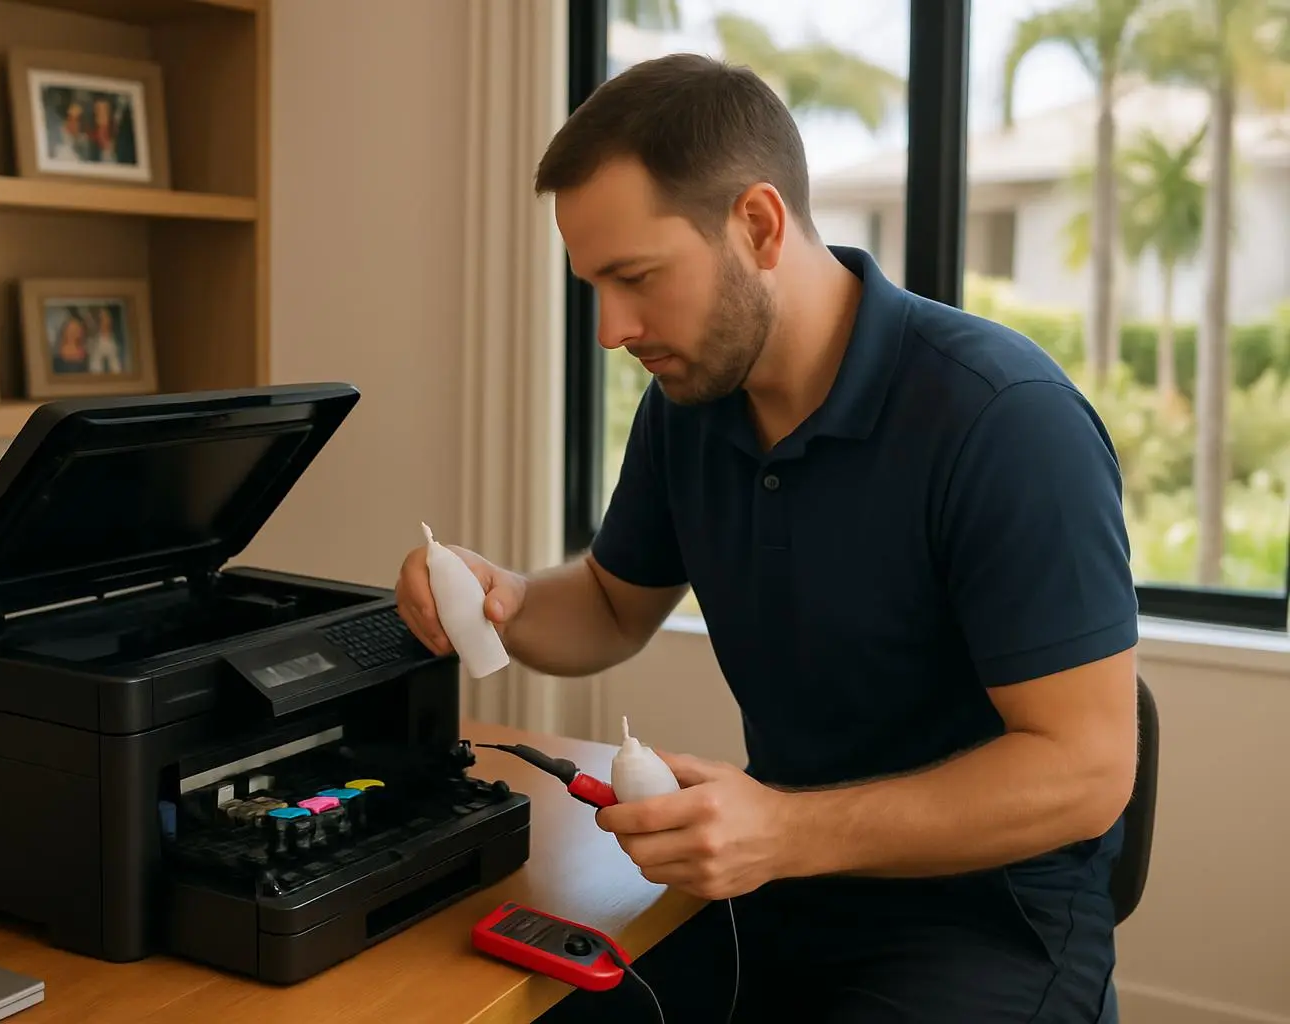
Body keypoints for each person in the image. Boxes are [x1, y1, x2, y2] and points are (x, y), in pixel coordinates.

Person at [395, 53, 1137, 1023]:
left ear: (757, 224)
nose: (613, 328)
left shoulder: (1002, 420)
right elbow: (615, 606)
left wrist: (785, 828)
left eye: (637, 278)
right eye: (594, 286)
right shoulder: (690, 406)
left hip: (986, 927)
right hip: (782, 892)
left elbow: (1085, 772)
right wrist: (509, 599)